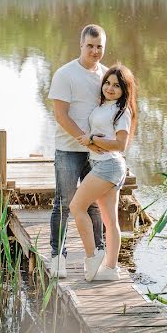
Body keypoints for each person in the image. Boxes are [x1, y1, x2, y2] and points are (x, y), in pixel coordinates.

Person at [47, 24, 109, 278]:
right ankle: (57, 257)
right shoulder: (65, 74)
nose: (94, 51)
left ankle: (97, 256)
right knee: (64, 203)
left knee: (94, 205)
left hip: (97, 152)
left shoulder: (106, 76)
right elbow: (60, 115)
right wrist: (84, 140)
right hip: (69, 150)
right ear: (81, 45)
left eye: (99, 47)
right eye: (90, 46)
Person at [69, 63, 138, 281]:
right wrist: (92, 140)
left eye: (116, 85)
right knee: (110, 220)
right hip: (103, 164)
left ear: (124, 89)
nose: (110, 88)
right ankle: (110, 269)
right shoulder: (104, 106)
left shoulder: (121, 111)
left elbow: (121, 144)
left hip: (110, 165)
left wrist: (93, 139)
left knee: (76, 206)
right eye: (107, 83)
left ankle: (93, 254)